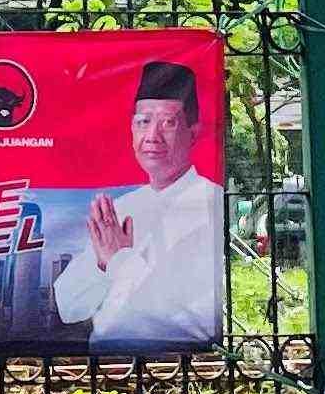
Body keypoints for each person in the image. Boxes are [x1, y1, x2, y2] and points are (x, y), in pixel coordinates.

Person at [53, 59, 224, 345]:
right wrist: (102, 265)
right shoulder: (122, 208)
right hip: (105, 362)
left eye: (168, 123)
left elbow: (184, 316)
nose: (152, 137)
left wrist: (118, 261)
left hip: (176, 363)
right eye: (143, 122)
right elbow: (68, 306)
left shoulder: (211, 202)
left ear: (193, 134)